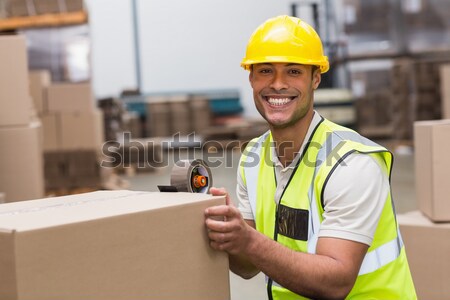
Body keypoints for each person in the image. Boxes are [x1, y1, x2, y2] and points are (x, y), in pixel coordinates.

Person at [204, 15, 416, 299]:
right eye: (266, 71)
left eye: (293, 72)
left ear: (316, 78)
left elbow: (336, 282)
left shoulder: (353, 163)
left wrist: (249, 241)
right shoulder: (253, 157)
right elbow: (246, 267)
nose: (278, 84)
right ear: (251, 78)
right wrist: (229, 232)